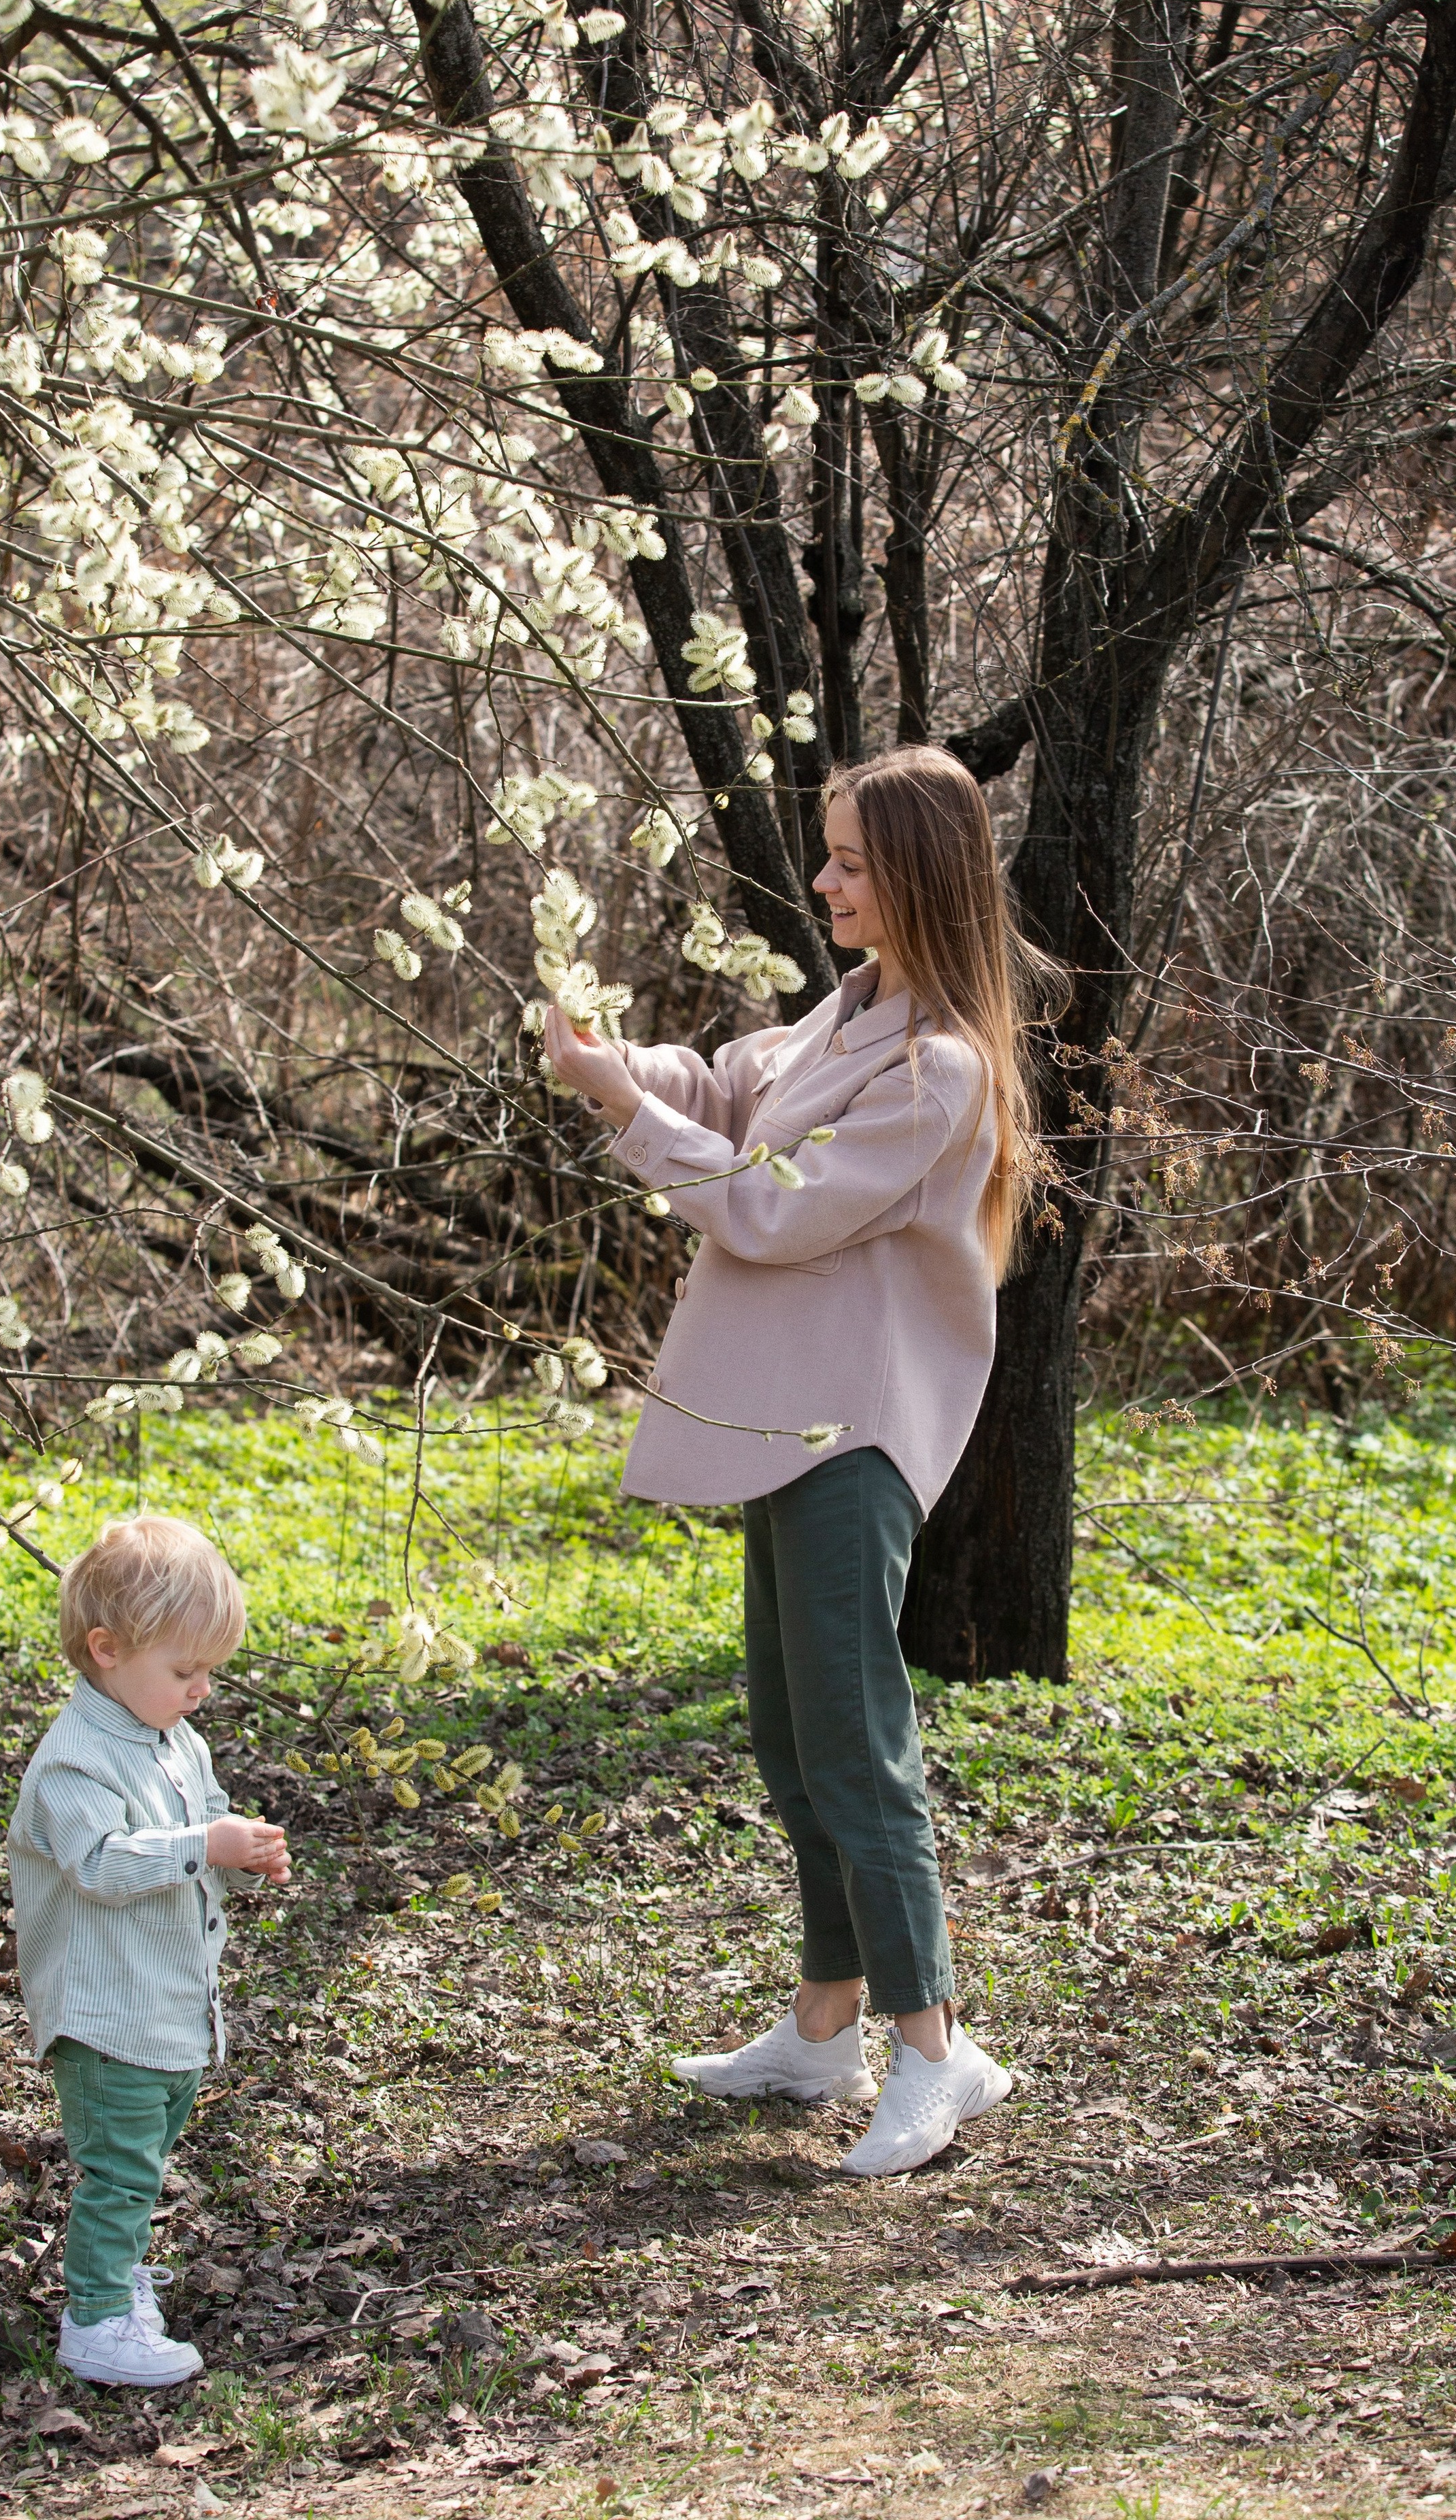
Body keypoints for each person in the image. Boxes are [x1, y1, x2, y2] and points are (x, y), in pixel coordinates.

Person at [544, 745, 1060, 2175]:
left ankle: (933, 2050)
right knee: (788, 1732)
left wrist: (626, 1111)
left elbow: (768, 1206)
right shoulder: (837, 1023)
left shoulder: (937, 1068)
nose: (823, 879)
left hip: (857, 1429)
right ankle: (823, 2025)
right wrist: (612, 1069)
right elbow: (720, 1091)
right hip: (786, 1421)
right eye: (825, 853)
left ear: (916, 878)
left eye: (847, 859)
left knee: (851, 1734)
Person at [8, 1515, 291, 2386]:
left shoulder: (176, 1739)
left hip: (167, 2005)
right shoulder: (73, 1764)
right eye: (183, 1669)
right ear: (105, 1649)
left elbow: (201, 1842)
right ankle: (95, 2320)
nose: (201, 1688)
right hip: (105, 2013)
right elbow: (96, 1864)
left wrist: (241, 1860)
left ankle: (119, 2278)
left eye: (208, 1670)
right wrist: (204, 1842)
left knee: (144, 2157)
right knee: (120, 2170)